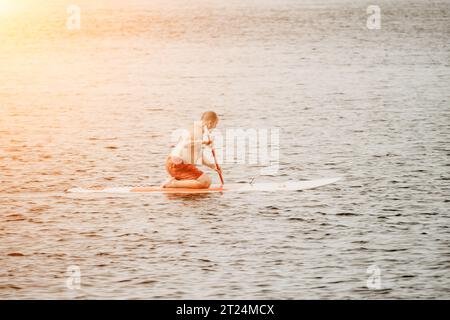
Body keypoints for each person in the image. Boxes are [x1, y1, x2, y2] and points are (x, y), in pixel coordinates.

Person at [161, 111, 221, 188]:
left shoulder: (199, 131)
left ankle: (176, 181)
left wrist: (213, 166)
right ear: (210, 123)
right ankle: (172, 184)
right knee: (206, 182)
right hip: (176, 165)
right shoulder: (195, 131)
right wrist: (203, 142)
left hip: (177, 165)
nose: (213, 129)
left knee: (206, 181)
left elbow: (199, 156)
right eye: (214, 126)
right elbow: (186, 144)